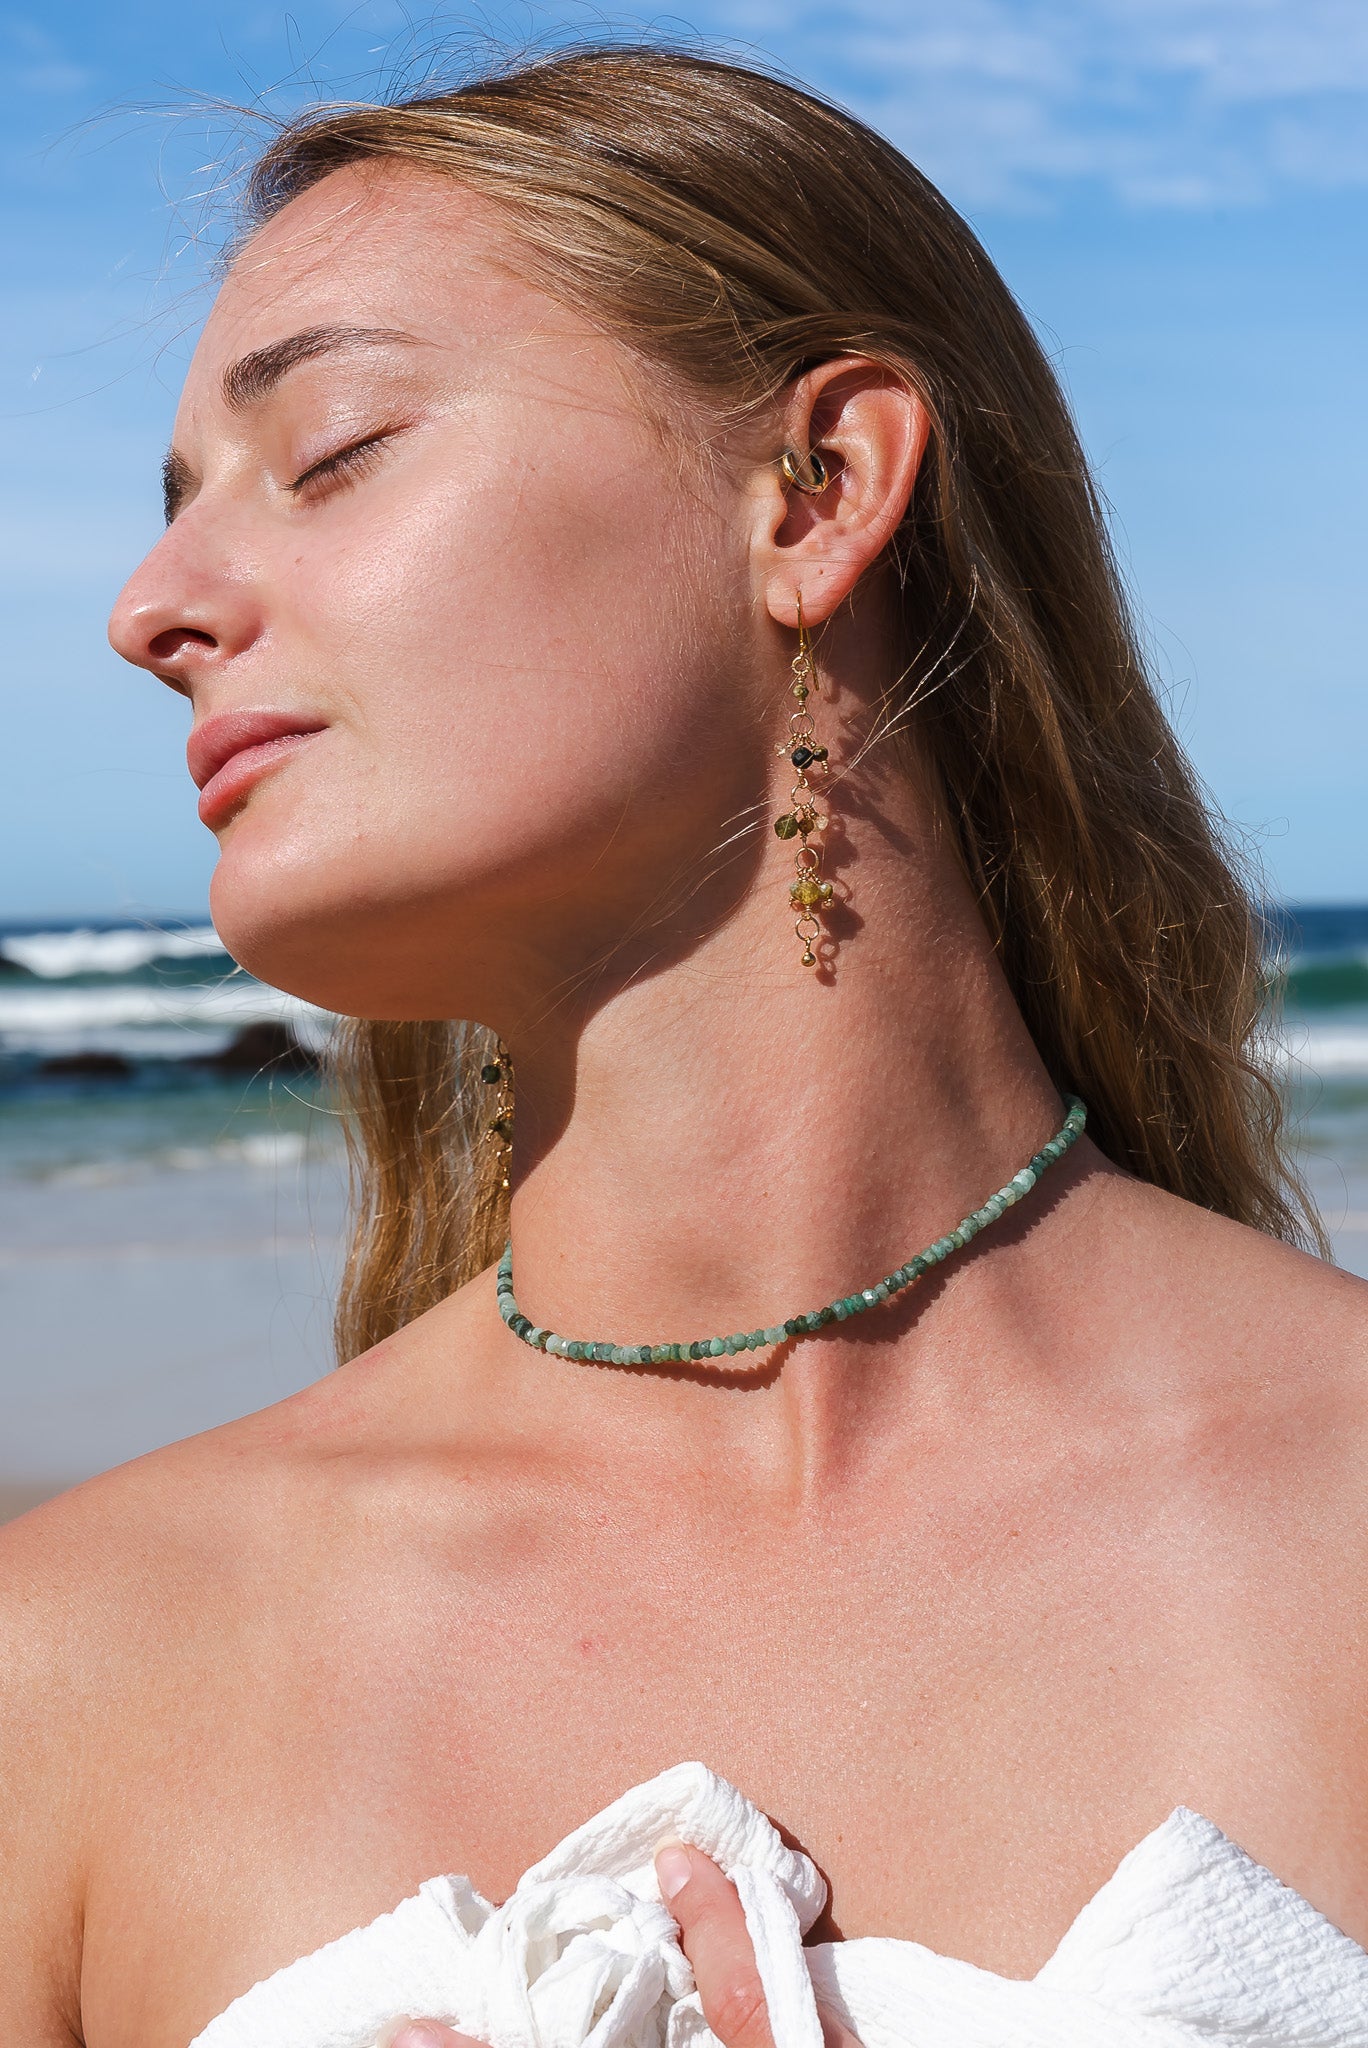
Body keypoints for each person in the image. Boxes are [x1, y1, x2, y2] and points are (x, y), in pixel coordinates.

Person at [3, 42, 1366, 2048]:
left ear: (814, 493)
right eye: (174, 509)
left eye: (334, 449)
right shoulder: (71, 1671)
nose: (148, 608)